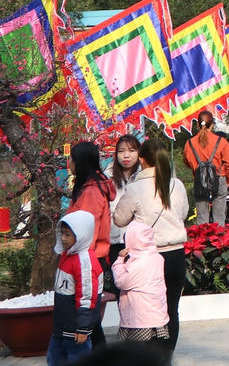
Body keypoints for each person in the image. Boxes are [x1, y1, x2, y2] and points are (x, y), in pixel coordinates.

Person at [111, 140, 188, 352]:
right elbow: (182, 214)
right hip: (176, 256)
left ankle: (150, 357)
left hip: (148, 259)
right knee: (172, 309)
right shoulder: (177, 185)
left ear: (142, 159)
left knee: (147, 313)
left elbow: (119, 219)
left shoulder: (136, 188)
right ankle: (166, 357)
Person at [64, 140, 115, 348]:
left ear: (80, 162)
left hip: (88, 260)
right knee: (91, 321)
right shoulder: (90, 186)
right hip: (90, 258)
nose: (68, 162)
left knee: (88, 320)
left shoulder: (92, 192)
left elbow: (87, 231)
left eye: (71, 158)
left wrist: (78, 262)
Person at [49, 210, 102, 366]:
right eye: (62, 234)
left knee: (77, 360)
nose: (63, 239)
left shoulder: (84, 262)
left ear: (81, 236)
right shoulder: (69, 255)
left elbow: (87, 296)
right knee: (55, 359)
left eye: (68, 235)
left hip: (75, 331)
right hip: (62, 328)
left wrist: (82, 328)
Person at [111, 220, 169, 352]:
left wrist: (119, 261)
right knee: (152, 353)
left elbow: (121, 282)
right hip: (156, 317)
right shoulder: (157, 257)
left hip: (140, 319)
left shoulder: (139, 263)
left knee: (137, 355)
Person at [183, 111, 229, 224]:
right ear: (212, 124)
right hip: (219, 179)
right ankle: (218, 240)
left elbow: (187, 162)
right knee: (219, 219)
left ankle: (202, 241)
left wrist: (197, 169)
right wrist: (227, 180)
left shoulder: (189, 143)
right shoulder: (221, 142)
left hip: (199, 181)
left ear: (198, 125)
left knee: (202, 218)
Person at [106, 134, 141, 260]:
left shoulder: (143, 177)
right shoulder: (107, 177)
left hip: (138, 241)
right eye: (121, 151)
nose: (126, 155)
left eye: (131, 151)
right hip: (114, 240)